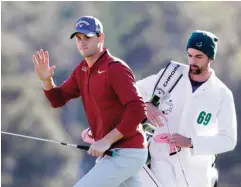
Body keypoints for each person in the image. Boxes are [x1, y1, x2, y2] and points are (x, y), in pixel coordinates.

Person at [32, 15, 148, 187]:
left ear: (100, 38)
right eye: (78, 38)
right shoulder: (83, 69)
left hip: (127, 152)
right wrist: (46, 81)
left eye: (87, 37)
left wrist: (107, 140)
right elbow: (58, 99)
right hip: (112, 154)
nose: (82, 42)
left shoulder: (115, 68)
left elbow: (138, 110)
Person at [136, 30, 237, 187]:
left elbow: (228, 140)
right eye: (190, 55)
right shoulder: (170, 75)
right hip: (161, 161)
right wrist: (146, 106)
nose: (192, 61)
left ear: (211, 58)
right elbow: (131, 91)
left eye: (198, 57)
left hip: (197, 171)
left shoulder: (222, 94)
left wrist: (190, 142)